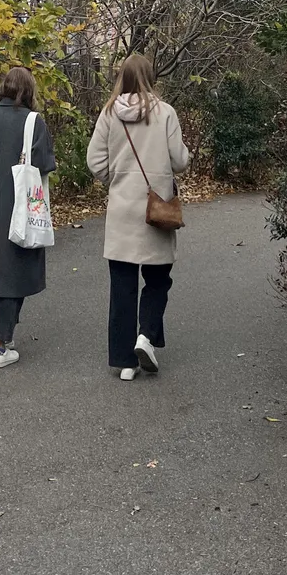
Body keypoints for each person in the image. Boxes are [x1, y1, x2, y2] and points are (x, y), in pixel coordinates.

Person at [86, 54, 189, 380]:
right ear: (150, 76)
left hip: (121, 210)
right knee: (159, 279)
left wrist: (115, 179)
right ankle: (146, 336)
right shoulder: (165, 113)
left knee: (122, 286)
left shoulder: (108, 114)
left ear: (121, 77)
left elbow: (94, 161)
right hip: (155, 211)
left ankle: (124, 361)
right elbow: (179, 160)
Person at [0, 65, 57, 370]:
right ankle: (1, 344)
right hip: (22, 203)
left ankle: (5, 336)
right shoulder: (34, 121)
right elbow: (45, 165)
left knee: (1, 268)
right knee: (16, 268)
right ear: (28, 90)